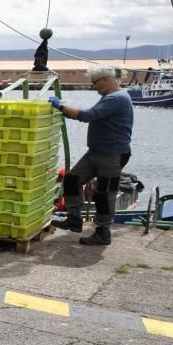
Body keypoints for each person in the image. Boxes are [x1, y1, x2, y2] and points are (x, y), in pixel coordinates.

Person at [49, 65, 134, 245]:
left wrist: (61, 105)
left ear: (105, 79)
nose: (93, 86)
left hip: (112, 155)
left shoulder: (116, 98)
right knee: (72, 179)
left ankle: (103, 232)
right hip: (96, 153)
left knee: (104, 194)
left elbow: (88, 115)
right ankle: (74, 218)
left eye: (95, 83)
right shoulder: (109, 97)